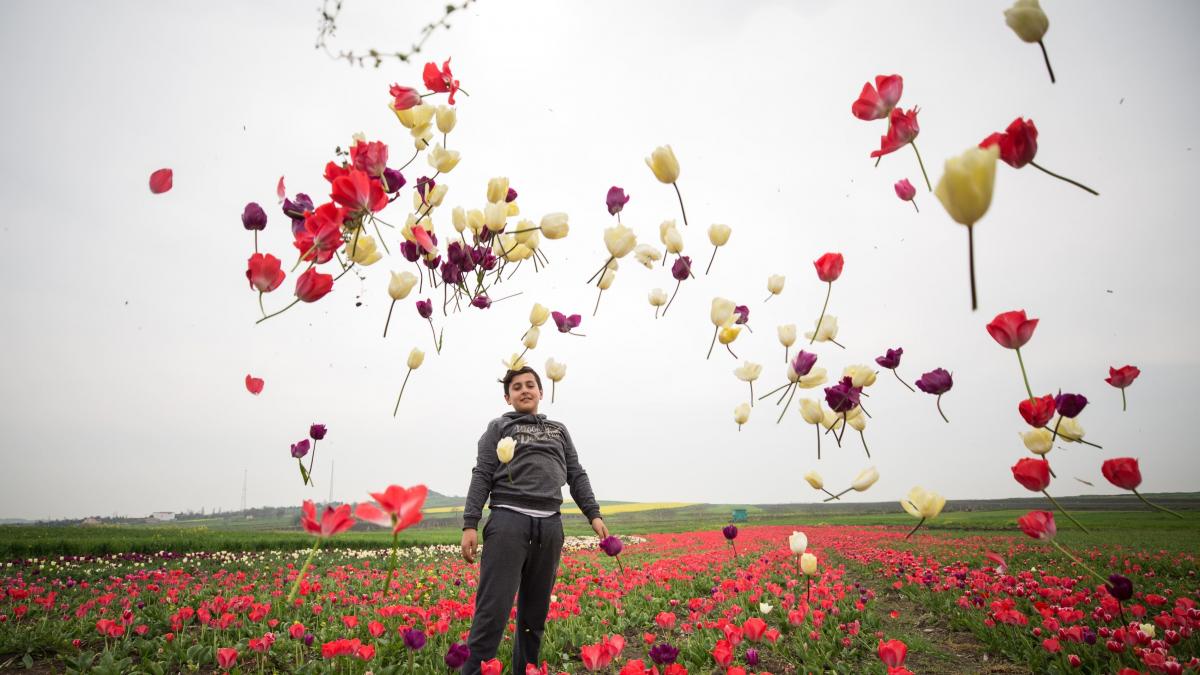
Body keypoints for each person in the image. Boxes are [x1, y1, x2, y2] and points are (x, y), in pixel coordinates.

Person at [460, 366, 609, 675]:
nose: (525, 390)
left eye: (530, 385)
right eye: (517, 387)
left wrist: (593, 514)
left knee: (534, 616)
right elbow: (482, 473)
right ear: (507, 396)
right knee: (492, 612)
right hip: (508, 523)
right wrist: (470, 523)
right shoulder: (498, 427)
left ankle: (525, 671)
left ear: (541, 392)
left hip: (550, 527)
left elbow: (576, 474)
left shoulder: (558, 429)